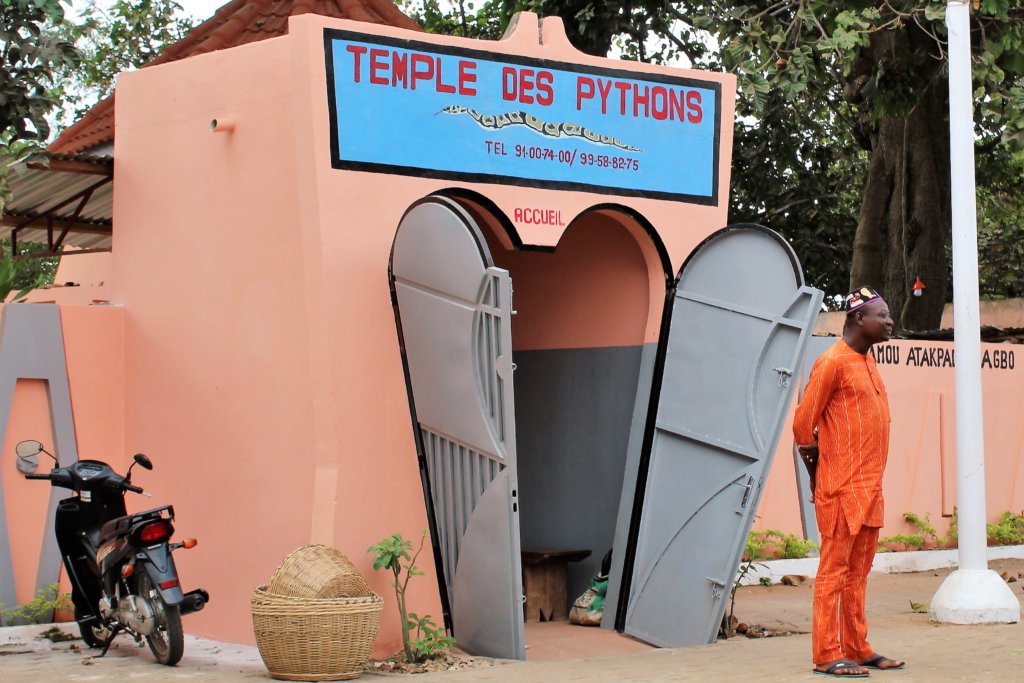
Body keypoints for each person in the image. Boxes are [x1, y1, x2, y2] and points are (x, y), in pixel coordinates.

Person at [793, 286, 905, 677]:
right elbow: (803, 424)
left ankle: (857, 647)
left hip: (871, 491)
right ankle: (826, 654)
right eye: (883, 315)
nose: (890, 321)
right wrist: (817, 474)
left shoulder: (867, 361)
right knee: (834, 572)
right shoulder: (832, 362)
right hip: (841, 489)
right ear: (860, 318)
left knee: (858, 574)